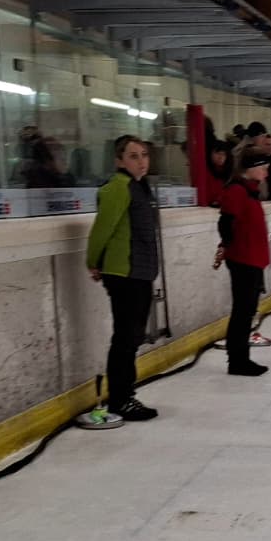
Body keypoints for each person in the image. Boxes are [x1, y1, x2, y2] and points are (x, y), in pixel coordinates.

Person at [85, 135, 161, 421]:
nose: (141, 161)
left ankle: (125, 395)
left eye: (144, 155)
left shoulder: (139, 187)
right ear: (119, 161)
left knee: (132, 337)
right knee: (126, 338)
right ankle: (120, 399)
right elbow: (102, 228)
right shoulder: (118, 188)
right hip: (124, 273)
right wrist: (93, 261)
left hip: (139, 272)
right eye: (133, 156)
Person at [215, 147, 271, 376]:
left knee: (246, 311)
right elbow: (226, 223)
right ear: (252, 169)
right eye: (263, 169)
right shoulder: (238, 191)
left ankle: (240, 358)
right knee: (243, 312)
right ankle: (238, 360)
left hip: (252, 259)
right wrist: (228, 245)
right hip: (243, 260)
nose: (266, 174)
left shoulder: (249, 191)